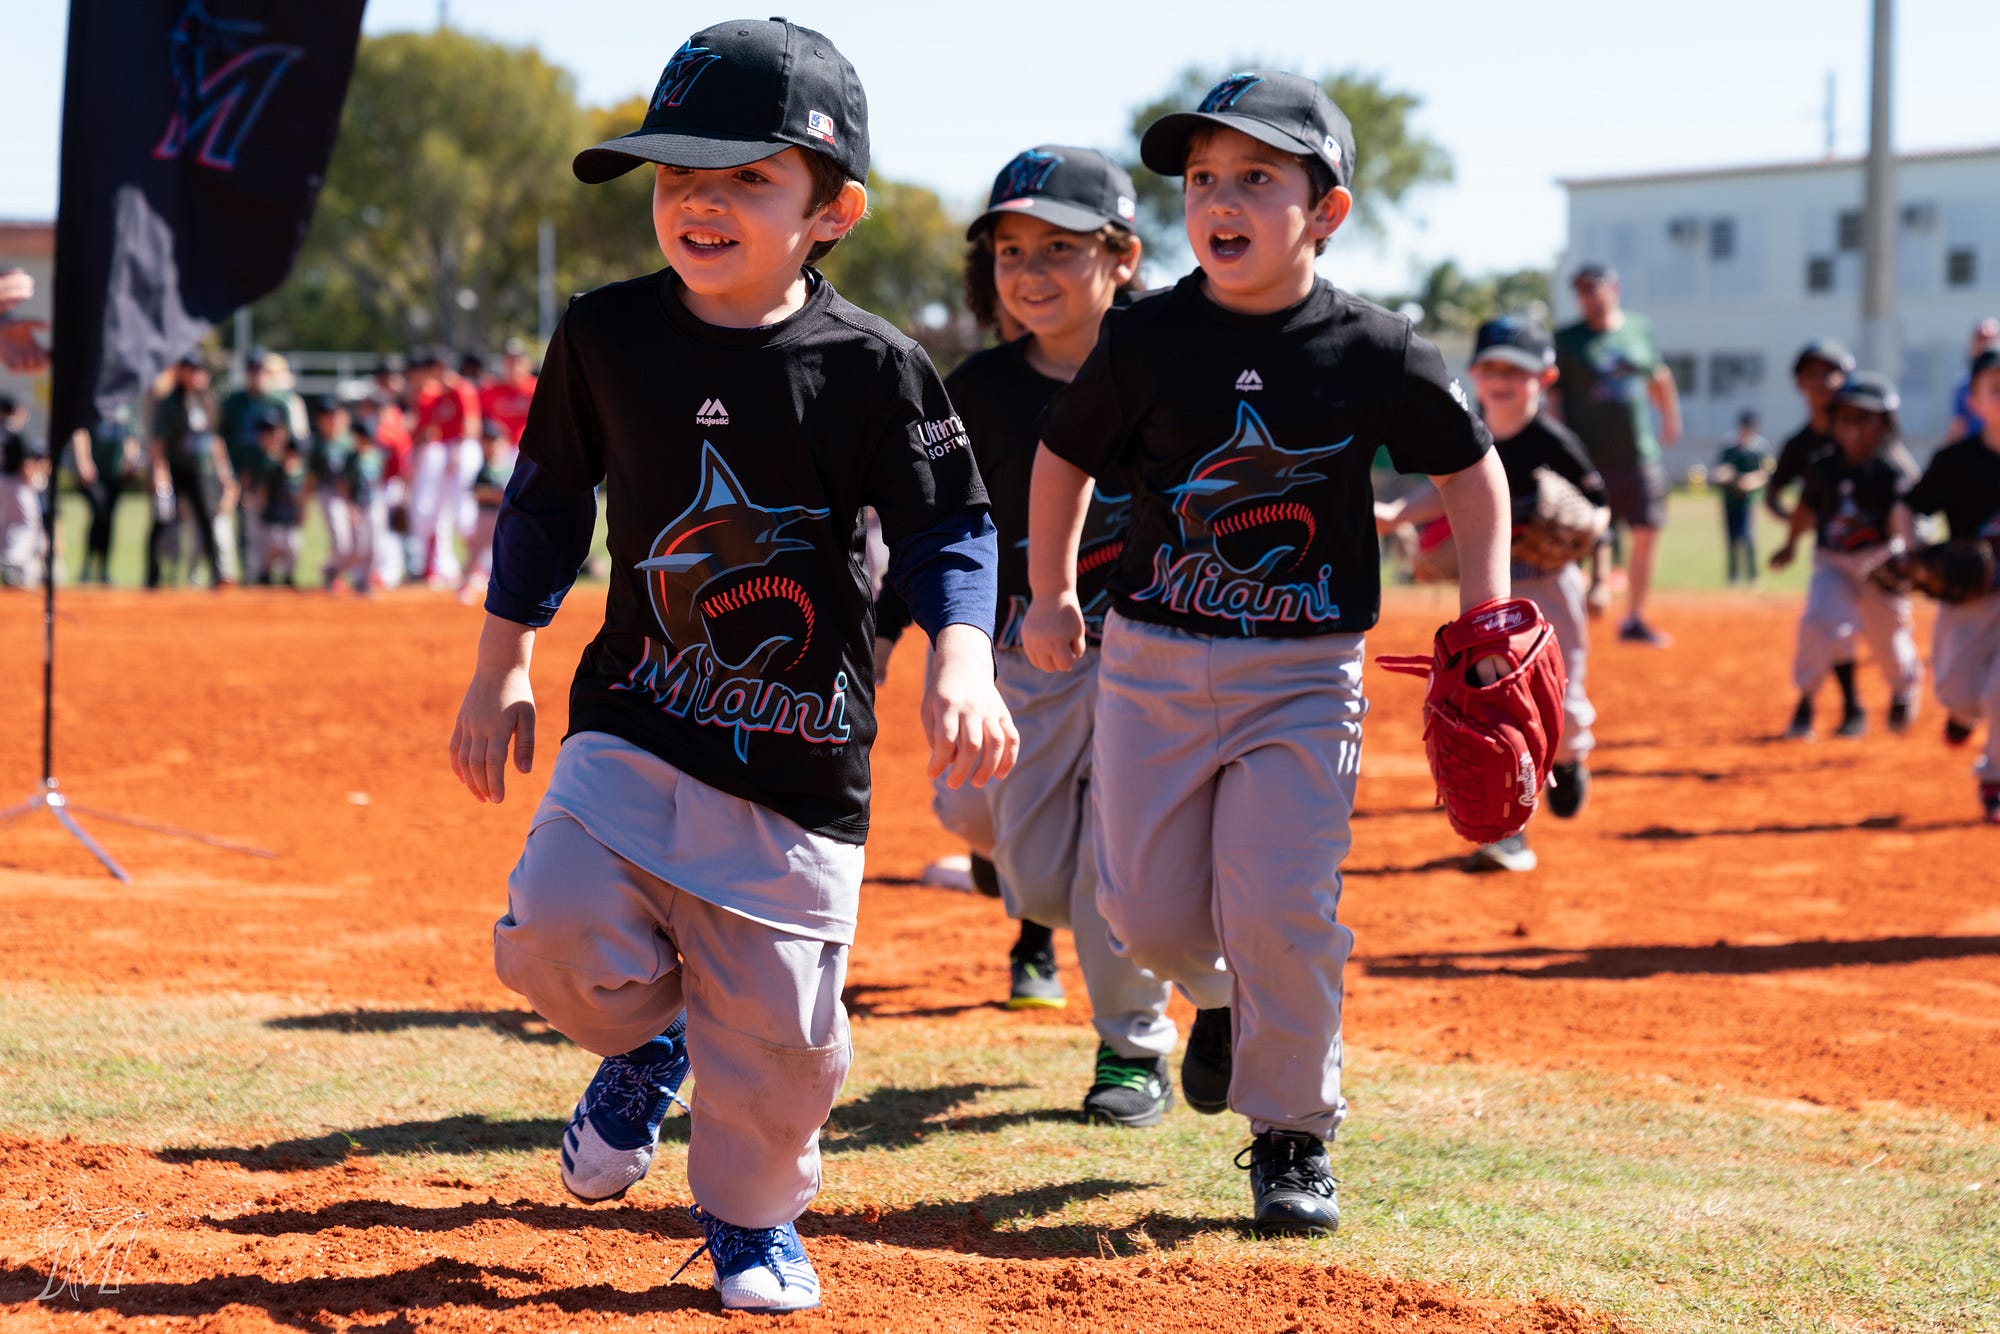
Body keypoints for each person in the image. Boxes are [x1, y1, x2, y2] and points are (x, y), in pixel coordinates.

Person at [446, 19, 1016, 1314]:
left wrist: (965, 660)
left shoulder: (872, 367)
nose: (700, 200)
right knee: (549, 936)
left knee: (778, 1052)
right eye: (675, 174)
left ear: (833, 209)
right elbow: (545, 502)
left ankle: (751, 1220)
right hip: (634, 721)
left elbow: (950, 525)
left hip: (801, 761)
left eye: (745, 176)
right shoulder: (604, 336)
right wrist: (502, 666)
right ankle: (649, 1040)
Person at [1024, 70, 1511, 1235]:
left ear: (1325, 210)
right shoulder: (1144, 338)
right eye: (1200, 179)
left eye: (1255, 176)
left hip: (1302, 674)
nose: (1218, 199)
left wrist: (1484, 615)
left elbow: (1470, 468)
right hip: (1147, 661)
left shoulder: (1373, 346)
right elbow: (1061, 460)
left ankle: (1290, 1134)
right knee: (1140, 911)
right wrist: (1047, 590)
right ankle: (1221, 1000)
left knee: (1284, 903)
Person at [947, 143, 1190, 1124]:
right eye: (1011, 251)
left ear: (1121, 256)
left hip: (1159, 649)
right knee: (1033, 867)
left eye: (1059, 247)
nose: (1031, 272)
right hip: (1025, 651)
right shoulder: (979, 387)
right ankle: (1018, 880)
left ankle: (1132, 1046)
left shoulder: (1176, 362)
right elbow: (946, 523)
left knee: (1113, 858)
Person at [1374, 316, 1609, 874]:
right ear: (1475, 375)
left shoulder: (1554, 440)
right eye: (1493, 367)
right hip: (1493, 598)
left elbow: (1599, 511)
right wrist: (1397, 513)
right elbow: (1446, 490)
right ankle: (1511, 834)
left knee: (1566, 708)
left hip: (1551, 590)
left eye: (1517, 370)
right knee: (1494, 709)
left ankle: (1572, 757)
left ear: (1544, 378)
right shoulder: (1467, 432)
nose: (1502, 379)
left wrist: (1597, 564)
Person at [1770, 372, 1921, 739]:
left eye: (1862, 418)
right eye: (1843, 417)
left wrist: (1911, 559)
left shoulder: (1893, 469)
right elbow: (1807, 508)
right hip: (1833, 560)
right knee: (1819, 621)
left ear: (1883, 423)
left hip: (1881, 561)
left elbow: (1910, 518)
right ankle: (1806, 701)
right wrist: (1790, 545)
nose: (1851, 426)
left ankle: (1903, 688)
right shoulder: (1824, 463)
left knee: (1889, 641)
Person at [1893, 344, 2000, 823]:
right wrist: (1912, 549)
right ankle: (1961, 717)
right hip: (1969, 598)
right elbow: (1910, 507)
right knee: (1960, 691)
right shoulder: (1956, 461)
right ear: (1974, 402)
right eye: (1996, 389)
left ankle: (1993, 778)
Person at [1552, 263, 1680, 646]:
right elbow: (1555, 397)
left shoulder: (1638, 330)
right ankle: (1568, 621)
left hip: (1639, 454)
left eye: (1595, 287)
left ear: (1614, 288)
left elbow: (1658, 376)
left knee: (1647, 531)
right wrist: (1560, 447)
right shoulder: (1568, 340)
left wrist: (1670, 419)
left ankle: (1635, 618)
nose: (1589, 296)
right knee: (1578, 540)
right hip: (1588, 459)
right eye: (1581, 291)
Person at [147, 353, 235, 590]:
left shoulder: (207, 400)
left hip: (200, 469)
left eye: (200, 371)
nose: (198, 375)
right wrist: (160, 471)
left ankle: (218, 573)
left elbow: (215, 439)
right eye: (193, 370)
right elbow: (159, 441)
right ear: (182, 373)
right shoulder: (170, 403)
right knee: (164, 520)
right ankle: (152, 574)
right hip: (175, 468)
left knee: (207, 518)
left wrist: (225, 472)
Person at [407, 348, 481, 586]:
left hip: (462, 449)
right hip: (444, 451)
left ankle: (477, 567)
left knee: (464, 513)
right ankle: (439, 567)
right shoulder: (434, 396)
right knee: (438, 512)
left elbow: (470, 426)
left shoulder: (462, 389)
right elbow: (424, 430)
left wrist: (457, 453)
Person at [69, 403, 138, 585]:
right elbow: (80, 432)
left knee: (108, 520)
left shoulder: (125, 407)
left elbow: (131, 436)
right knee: (98, 513)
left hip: (114, 473)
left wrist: (130, 460)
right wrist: (83, 460)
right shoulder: (95, 401)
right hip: (94, 472)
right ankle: (87, 565)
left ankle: (104, 569)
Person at [309, 396, 365, 592]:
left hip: (354, 497)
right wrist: (302, 504)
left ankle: (331, 571)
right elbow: (312, 479)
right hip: (329, 493)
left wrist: (353, 504)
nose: (331, 420)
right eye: (326, 416)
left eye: (334, 415)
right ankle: (332, 573)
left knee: (358, 544)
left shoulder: (350, 442)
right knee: (341, 541)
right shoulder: (318, 446)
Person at [1713, 410, 1772, 585]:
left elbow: (1766, 472)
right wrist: (1726, 475)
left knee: (1748, 537)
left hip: (1749, 498)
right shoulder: (1729, 446)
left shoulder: (1760, 448)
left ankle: (1753, 576)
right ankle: (1733, 576)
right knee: (1731, 537)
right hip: (1730, 497)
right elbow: (1721, 469)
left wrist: (1752, 480)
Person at [250, 410, 308, 586]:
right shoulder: (259, 458)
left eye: (275, 431)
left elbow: (300, 487)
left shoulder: (288, 457)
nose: (272, 436)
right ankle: (263, 576)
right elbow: (260, 488)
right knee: (267, 546)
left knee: (292, 545)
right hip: (268, 512)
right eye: (267, 432)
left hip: (286, 512)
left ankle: (286, 577)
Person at [459, 418, 513, 603]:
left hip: (503, 516)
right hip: (485, 516)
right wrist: (493, 494)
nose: (492, 447)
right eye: (488, 442)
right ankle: (464, 585)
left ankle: (502, 590)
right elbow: (476, 491)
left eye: (495, 442)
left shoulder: (507, 468)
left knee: (505, 554)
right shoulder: (484, 469)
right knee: (476, 551)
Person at [0, 402, 48, 588]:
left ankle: (7, 556)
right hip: (17, 484)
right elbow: (25, 465)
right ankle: (13, 560)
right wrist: (34, 481)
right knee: (30, 523)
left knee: (8, 522)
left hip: (2, 480)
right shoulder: (16, 435)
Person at [1943, 318, 2000, 445]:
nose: (1986, 344)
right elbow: (1958, 425)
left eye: (1991, 339)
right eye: (1981, 340)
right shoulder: (1963, 386)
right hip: (1977, 453)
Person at [480, 337, 538, 452]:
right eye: (509, 360)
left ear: (527, 363)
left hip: (529, 450)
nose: (513, 365)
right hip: (500, 451)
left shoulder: (536, 387)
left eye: (517, 360)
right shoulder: (490, 389)